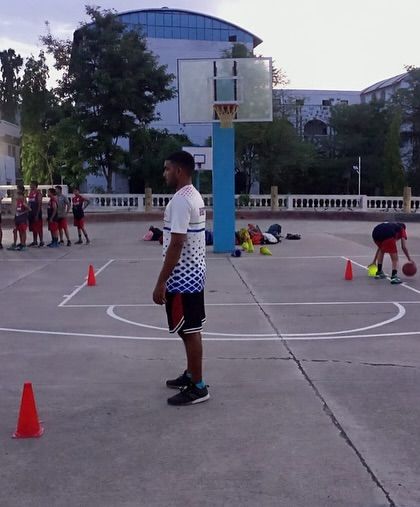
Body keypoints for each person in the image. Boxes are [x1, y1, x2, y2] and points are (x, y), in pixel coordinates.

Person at [152, 151, 209, 406]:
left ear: (179, 171)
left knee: (190, 330)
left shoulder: (181, 201)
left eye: (167, 169)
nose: (164, 173)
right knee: (189, 329)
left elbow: (176, 243)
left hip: (183, 278)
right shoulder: (194, 195)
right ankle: (191, 374)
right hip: (194, 274)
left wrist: (161, 281)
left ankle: (198, 386)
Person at [27, 181, 44, 247]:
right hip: (31, 213)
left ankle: (41, 241)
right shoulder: (30, 193)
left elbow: (40, 204)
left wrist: (37, 213)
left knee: (38, 227)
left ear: (34, 185)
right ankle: (35, 241)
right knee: (33, 227)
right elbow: (29, 202)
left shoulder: (38, 193)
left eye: (31, 185)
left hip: (37, 212)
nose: (30, 186)